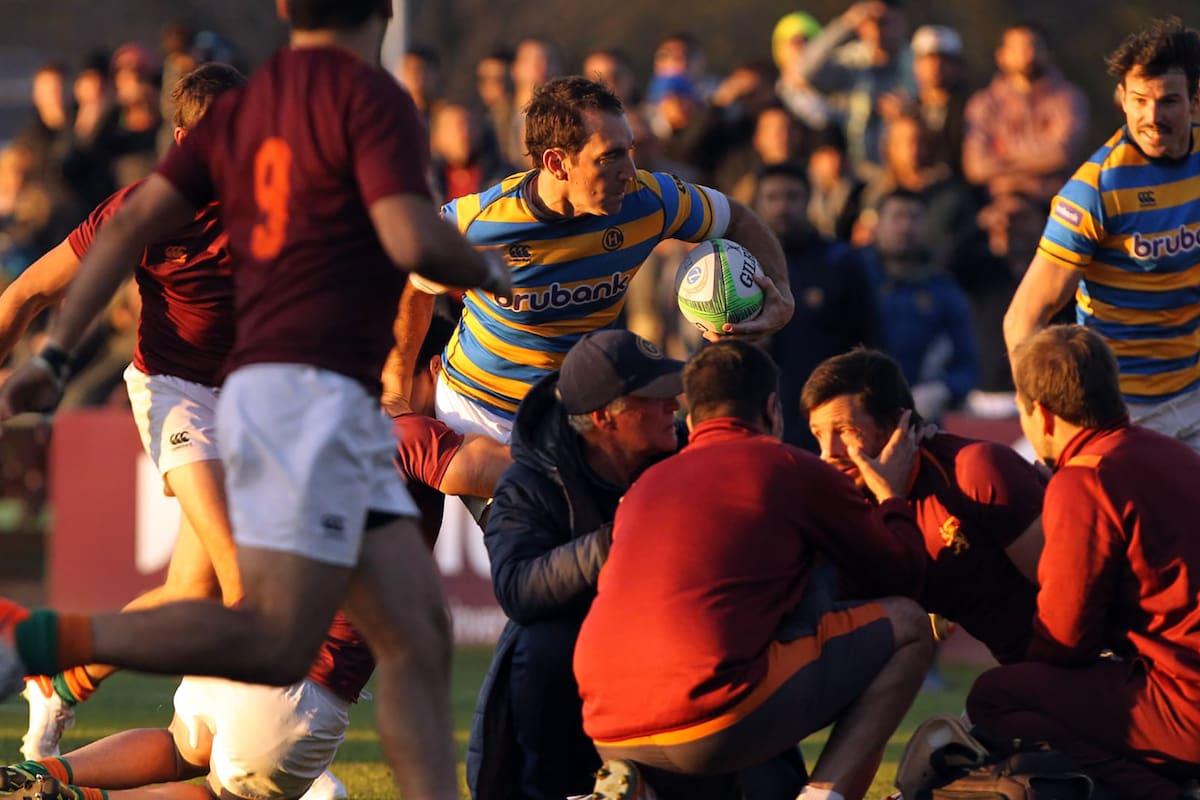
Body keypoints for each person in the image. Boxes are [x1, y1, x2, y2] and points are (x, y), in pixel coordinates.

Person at [0, 5, 509, 800]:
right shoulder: (350, 112)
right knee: (259, 601)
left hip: (272, 395)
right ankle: (43, 647)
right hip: (183, 394)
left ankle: (53, 678)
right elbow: (42, 283)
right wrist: (479, 272)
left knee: (228, 598)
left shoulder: (283, 149)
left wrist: (54, 361)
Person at [0, 62, 245, 762]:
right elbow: (26, 296)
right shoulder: (142, 210)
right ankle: (269, 757)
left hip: (255, 400)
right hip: (178, 392)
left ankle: (60, 678)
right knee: (240, 583)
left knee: (192, 589)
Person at [574, 340, 932, 800]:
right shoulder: (787, 466)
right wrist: (893, 498)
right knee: (909, 625)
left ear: (693, 415)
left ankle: (639, 790)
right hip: (710, 716)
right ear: (771, 408)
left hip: (606, 726)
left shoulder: (646, 485)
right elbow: (904, 574)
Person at [399, 75, 793, 444]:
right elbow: (412, 290)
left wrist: (782, 293)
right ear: (557, 163)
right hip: (479, 412)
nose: (631, 172)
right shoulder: (476, 224)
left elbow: (737, 217)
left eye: (631, 151)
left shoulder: (651, 200)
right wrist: (394, 392)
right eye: (612, 157)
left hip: (573, 409)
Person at [968, 325, 1200, 798]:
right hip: (1181, 685)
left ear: (1045, 417)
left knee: (995, 696)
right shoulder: (1174, 454)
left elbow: (1065, 641)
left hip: (1185, 704)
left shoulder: (1086, 479)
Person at [467, 329, 685, 800]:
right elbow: (517, 588)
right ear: (607, 417)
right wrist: (620, 538)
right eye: (657, 395)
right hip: (580, 667)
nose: (675, 403)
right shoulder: (528, 482)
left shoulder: (689, 456)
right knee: (541, 644)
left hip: (681, 642)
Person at [1003, 17, 1200, 449]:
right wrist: (1037, 418)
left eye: (1168, 101)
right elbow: (1023, 318)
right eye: (1139, 100)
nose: (1151, 116)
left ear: (1195, 102)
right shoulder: (1094, 190)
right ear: (1121, 100)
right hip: (1122, 412)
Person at [801, 348, 1045, 665]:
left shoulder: (974, 470)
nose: (828, 453)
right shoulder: (848, 506)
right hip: (1021, 669)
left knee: (987, 702)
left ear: (896, 424)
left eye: (846, 431)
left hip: (1083, 659)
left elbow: (1069, 591)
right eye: (818, 435)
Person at [1, 614, 369, 800]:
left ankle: (28, 773)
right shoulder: (406, 465)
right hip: (304, 683)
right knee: (218, 795)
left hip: (233, 639)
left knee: (178, 747)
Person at [750, 162, 881, 449]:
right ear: (757, 202)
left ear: (809, 199)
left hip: (827, 426)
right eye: (772, 197)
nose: (782, 207)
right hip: (757, 422)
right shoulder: (738, 266)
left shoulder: (841, 262)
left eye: (792, 197)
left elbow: (870, 342)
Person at [861, 188, 978, 421]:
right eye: (897, 217)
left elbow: (967, 363)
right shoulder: (853, 276)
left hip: (917, 412)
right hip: (854, 405)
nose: (906, 227)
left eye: (915, 218)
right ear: (878, 225)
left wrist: (944, 389)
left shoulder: (944, 289)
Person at [962, 22, 1089, 206]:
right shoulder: (983, 104)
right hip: (997, 201)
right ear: (1001, 56)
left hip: (1054, 202)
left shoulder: (1069, 99)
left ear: (1048, 53)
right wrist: (1037, 156)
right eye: (1018, 48)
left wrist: (1003, 153)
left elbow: (1060, 154)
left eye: (1035, 46)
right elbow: (976, 167)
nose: (1028, 54)